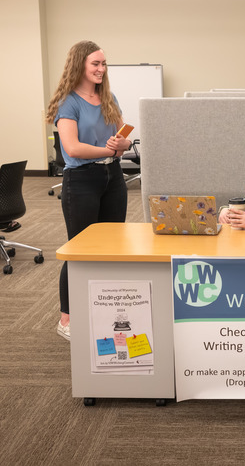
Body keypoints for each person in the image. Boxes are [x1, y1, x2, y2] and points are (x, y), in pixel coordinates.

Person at [45, 41, 132, 341]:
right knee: (79, 251)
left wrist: (122, 145)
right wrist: (106, 148)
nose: (101, 69)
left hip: (113, 178)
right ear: (79, 64)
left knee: (110, 249)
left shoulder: (108, 97)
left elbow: (124, 137)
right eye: (95, 63)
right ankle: (66, 318)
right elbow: (72, 147)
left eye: (104, 64)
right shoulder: (68, 102)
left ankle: (103, 309)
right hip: (81, 181)